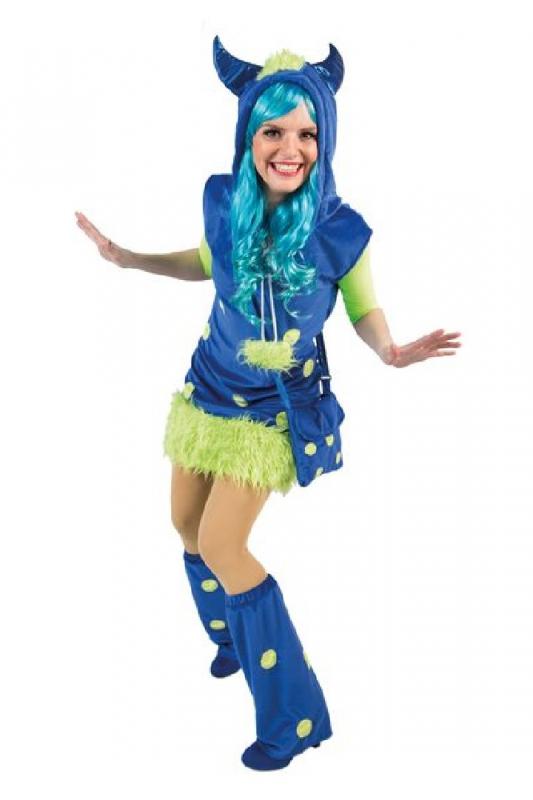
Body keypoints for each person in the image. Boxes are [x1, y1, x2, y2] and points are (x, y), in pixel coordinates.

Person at [75, 36, 462, 771]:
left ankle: (295, 717)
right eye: (273, 132)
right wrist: (130, 258)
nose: (291, 149)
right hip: (206, 388)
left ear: (325, 140)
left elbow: (363, 309)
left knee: (224, 545)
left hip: (270, 412)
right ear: (248, 136)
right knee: (184, 525)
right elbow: (205, 263)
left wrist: (389, 349)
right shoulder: (225, 204)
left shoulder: (339, 230)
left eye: (306, 134)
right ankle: (232, 635)